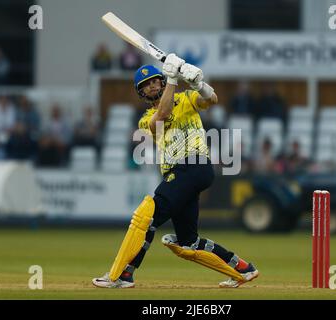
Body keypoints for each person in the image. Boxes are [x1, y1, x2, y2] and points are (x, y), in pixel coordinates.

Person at [92, 55, 259, 289]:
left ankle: (120, 275)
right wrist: (172, 77)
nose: (151, 86)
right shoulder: (146, 119)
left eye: (154, 81)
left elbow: (211, 99)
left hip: (193, 166)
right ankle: (243, 268)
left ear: (160, 82)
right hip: (180, 172)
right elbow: (162, 115)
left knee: (146, 216)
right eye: (145, 85)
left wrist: (198, 83)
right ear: (142, 93)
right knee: (187, 242)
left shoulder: (186, 98)